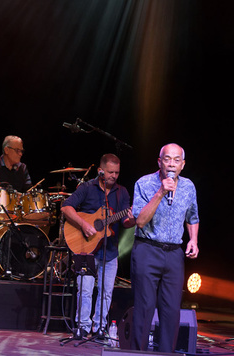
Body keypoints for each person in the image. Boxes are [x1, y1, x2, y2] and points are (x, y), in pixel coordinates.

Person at [129, 143, 200, 353]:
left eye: (176, 160)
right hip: (147, 249)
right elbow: (140, 221)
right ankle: (138, 352)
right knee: (145, 307)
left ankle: (166, 352)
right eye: (167, 159)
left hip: (174, 253)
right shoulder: (144, 183)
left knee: (171, 311)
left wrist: (193, 239)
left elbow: (193, 217)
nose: (171, 163)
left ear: (183, 164)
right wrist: (161, 191)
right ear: (159, 162)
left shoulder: (188, 187)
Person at [60, 153, 136, 339]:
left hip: (109, 250)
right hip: (85, 248)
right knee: (85, 289)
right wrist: (84, 224)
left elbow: (125, 221)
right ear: (100, 171)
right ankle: (82, 326)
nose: (114, 176)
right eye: (110, 172)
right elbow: (66, 207)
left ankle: (100, 328)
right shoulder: (87, 187)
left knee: (106, 291)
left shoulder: (122, 192)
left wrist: (134, 218)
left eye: (117, 172)